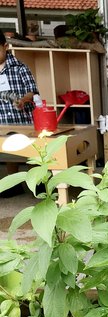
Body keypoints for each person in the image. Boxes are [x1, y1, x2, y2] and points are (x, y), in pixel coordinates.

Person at [0, 29, 39, 198]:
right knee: (9, 152)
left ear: (5, 47)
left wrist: (24, 99)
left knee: (31, 152)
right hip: (2, 120)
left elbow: (33, 91)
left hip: (23, 118)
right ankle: (13, 183)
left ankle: (36, 183)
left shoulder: (20, 67)